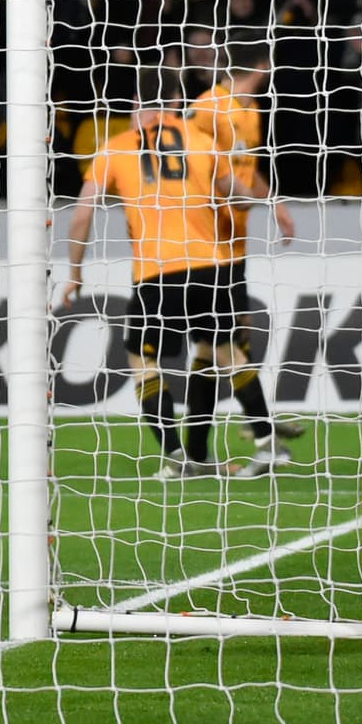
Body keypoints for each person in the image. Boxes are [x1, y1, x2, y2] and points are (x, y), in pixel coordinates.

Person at [60, 66, 286, 478]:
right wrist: (262, 203)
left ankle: (177, 457)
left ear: (134, 106)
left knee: (142, 359)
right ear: (178, 105)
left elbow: (82, 214)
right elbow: (235, 192)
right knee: (225, 353)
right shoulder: (202, 141)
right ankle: (269, 443)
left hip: (156, 273)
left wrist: (75, 270)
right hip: (211, 265)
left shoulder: (116, 147)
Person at [188, 43, 303, 469]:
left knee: (209, 347)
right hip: (204, 243)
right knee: (227, 340)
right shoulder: (207, 107)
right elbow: (189, 166)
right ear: (263, 64)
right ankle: (265, 435)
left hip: (234, 242)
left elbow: (247, 171)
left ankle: (194, 453)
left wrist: (274, 203)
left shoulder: (250, 109)